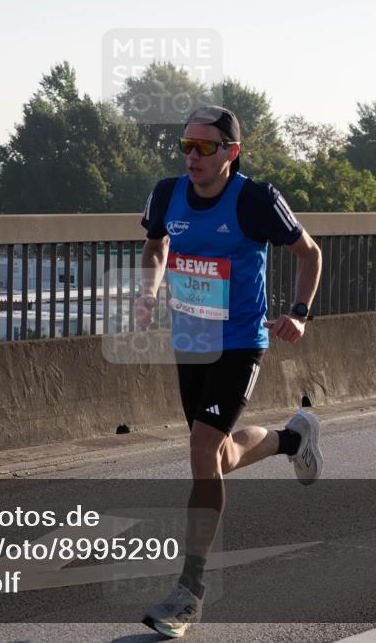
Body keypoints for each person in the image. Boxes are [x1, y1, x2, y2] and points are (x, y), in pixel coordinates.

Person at [134, 105, 324, 639]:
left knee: (200, 451)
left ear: (231, 152)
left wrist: (299, 313)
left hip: (239, 343)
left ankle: (188, 593)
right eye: (185, 146)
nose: (192, 156)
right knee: (216, 456)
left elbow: (309, 253)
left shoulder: (255, 199)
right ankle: (292, 439)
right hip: (191, 342)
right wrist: (149, 291)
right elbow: (155, 246)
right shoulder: (166, 194)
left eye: (204, 147)